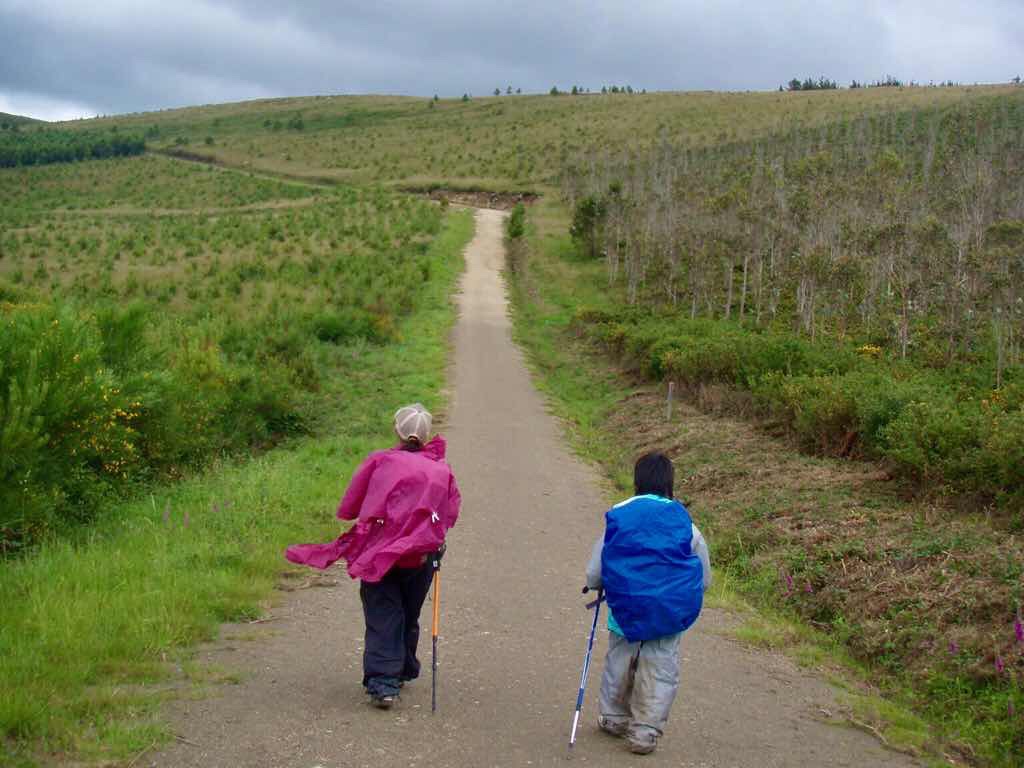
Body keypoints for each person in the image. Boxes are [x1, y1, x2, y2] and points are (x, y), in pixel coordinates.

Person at [286, 403, 460, 709]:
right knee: (407, 611)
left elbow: (352, 503)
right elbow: (449, 512)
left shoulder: (380, 460)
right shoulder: (441, 469)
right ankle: (402, 668)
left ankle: (384, 681)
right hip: (421, 556)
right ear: (426, 434)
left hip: (380, 554)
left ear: (397, 429)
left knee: (383, 613)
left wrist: (353, 515)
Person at [584, 451, 711, 755]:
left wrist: (596, 584)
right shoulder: (684, 523)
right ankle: (644, 732)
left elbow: (596, 568)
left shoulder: (620, 515)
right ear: (670, 483)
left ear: (637, 481)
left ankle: (614, 718)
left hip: (625, 609)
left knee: (619, 661)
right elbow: (702, 573)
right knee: (659, 669)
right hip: (668, 613)